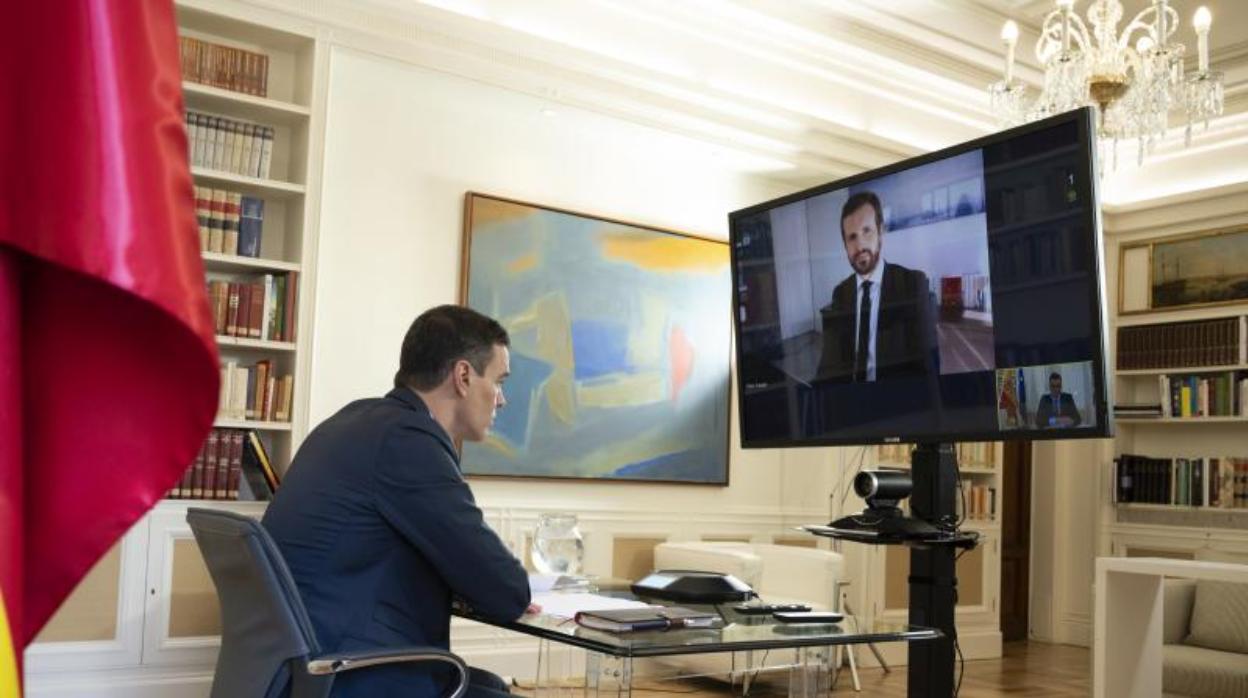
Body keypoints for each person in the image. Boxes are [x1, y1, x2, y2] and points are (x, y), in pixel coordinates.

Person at [263, 304, 532, 698]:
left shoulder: (356, 420)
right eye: (499, 381)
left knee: (487, 686)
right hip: (347, 671)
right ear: (462, 376)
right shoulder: (408, 443)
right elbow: (507, 593)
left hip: (300, 665)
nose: (502, 400)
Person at [815, 191, 938, 383]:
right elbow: (829, 367)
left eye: (867, 231)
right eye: (852, 237)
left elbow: (928, 368)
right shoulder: (841, 293)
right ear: (845, 245)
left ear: (881, 232)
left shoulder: (911, 284)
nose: (860, 245)